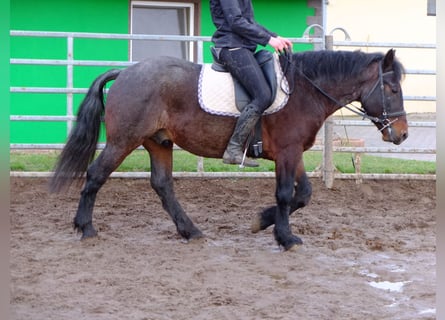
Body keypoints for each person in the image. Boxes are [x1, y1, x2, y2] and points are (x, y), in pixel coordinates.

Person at [210, 0, 292, 167]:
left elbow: (250, 22)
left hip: (243, 47)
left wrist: (274, 36)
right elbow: (236, 22)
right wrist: (269, 40)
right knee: (263, 95)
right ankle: (233, 149)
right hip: (231, 46)